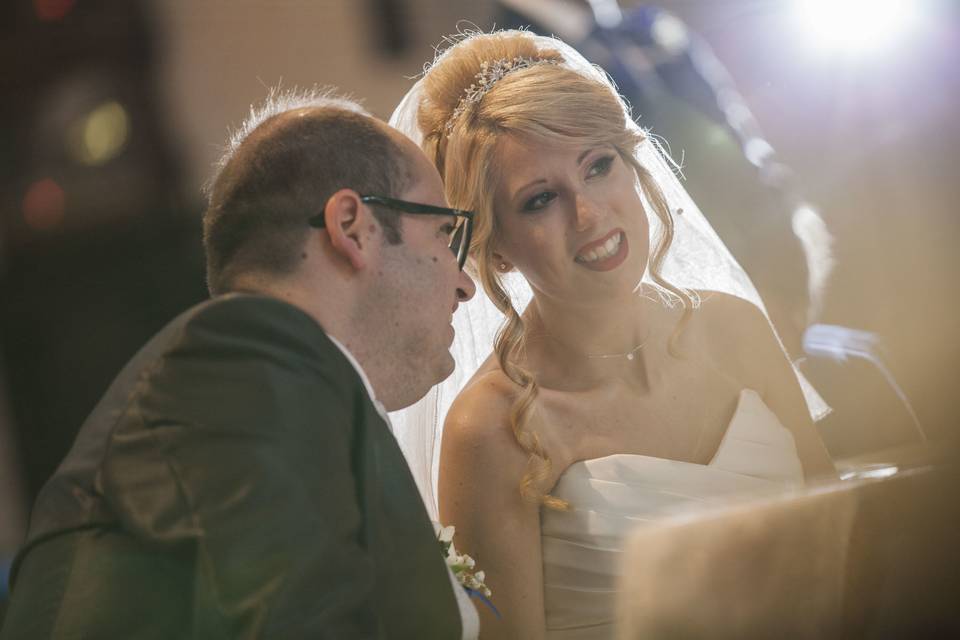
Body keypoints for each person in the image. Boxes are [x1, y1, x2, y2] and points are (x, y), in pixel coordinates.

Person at [388, 31, 836, 639]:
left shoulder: (735, 329)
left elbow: (846, 549)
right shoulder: (492, 430)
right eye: (540, 199)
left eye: (599, 166)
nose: (589, 214)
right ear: (496, 252)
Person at [0, 89, 479, 639]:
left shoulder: (274, 378)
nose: (464, 284)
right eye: (445, 233)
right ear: (353, 227)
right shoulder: (246, 355)